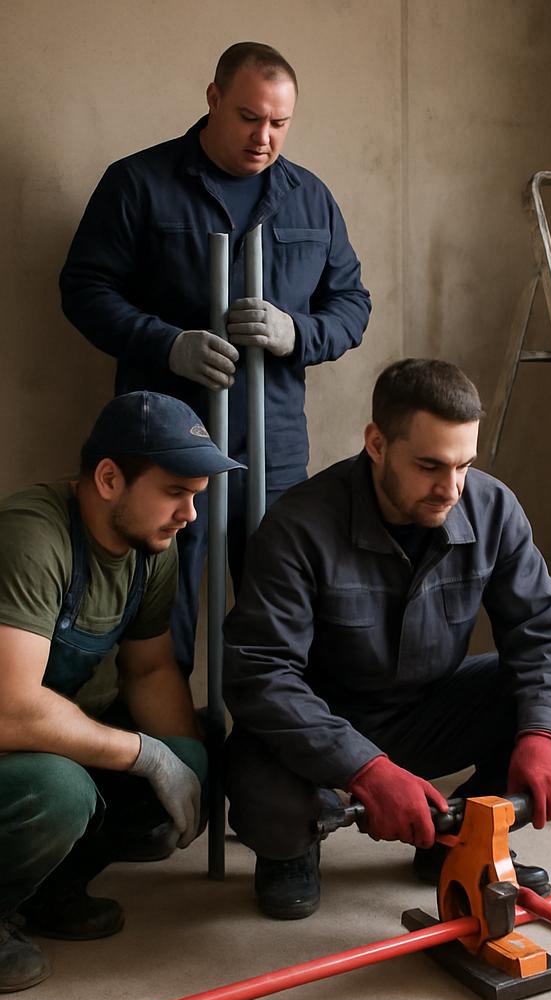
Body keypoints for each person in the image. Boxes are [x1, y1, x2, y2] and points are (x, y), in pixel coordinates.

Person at [223, 359, 551, 920]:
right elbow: (260, 676)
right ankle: (291, 851)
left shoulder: (492, 507)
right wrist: (365, 768)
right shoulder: (298, 525)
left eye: (463, 466)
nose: (450, 488)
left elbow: (541, 631)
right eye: (430, 466)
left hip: (427, 711)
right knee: (268, 802)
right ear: (377, 444)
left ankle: (459, 837)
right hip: (319, 723)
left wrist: (541, 735)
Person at [60, 41, 372, 678]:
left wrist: (296, 332)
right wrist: (167, 343)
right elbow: (85, 290)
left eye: (280, 123)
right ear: (213, 99)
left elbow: (352, 304)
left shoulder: (309, 197)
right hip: (165, 437)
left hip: (272, 441)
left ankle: (271, 737)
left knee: (280, 610)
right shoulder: (139, 183)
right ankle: (166, 735)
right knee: (162, 610)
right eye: (249, 117)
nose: (264, 137)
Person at [0, 391, 242, 993]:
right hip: (11, 731)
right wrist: (144, 755)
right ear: (109, 479)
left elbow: (150, 672)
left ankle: (47, 891)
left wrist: (186, 769)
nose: (190, 514)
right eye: (175, 491)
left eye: (196, 495)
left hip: (45, 737)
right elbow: (10, 709)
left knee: (193, 751)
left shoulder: (150, 546)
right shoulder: (32, 537)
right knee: (61, 789)